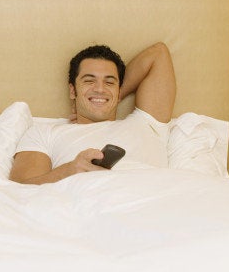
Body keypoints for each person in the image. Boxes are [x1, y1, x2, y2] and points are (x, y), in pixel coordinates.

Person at [9, 42, 176, 184]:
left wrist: (108, 98)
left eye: (109, 82)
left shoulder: (146, 123)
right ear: (72, 91)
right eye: (89, 81)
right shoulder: (44, 133)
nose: (100, 88)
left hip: (156, 202)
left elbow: (158, 53)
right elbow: (20, 191)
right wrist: (70, 170)